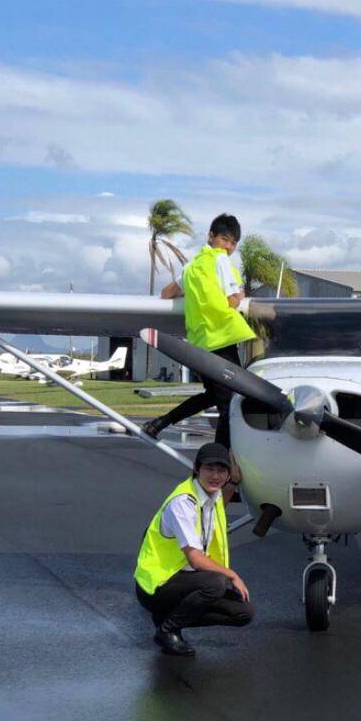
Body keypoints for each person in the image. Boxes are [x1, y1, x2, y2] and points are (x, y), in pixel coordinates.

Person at [146, 214, 256, 447]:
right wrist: (240, 296)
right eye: (225, 239)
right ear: (211, 236)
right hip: (223, 340)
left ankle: (160, 423)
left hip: (200, 343)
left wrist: (191, 294)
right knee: (229, 404)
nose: (228, 247)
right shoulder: (221, 260)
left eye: (233, 242)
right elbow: (233, 300)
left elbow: (166, 294)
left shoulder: (191, 267)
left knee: (216, 396)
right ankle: (221, 462)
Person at [134, 442, 253, 656]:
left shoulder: (212, 496)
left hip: (185, 582)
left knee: (243, 612)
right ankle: (167, 630)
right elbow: (196, 560)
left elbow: (221, 502)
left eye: (221, 470)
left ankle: (168, 616)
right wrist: (232, 575)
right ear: (197, 469)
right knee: (216, 583)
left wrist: (234, 481)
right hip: (155, 586)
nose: (215, 476)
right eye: (209, 469)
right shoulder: (183, 502)